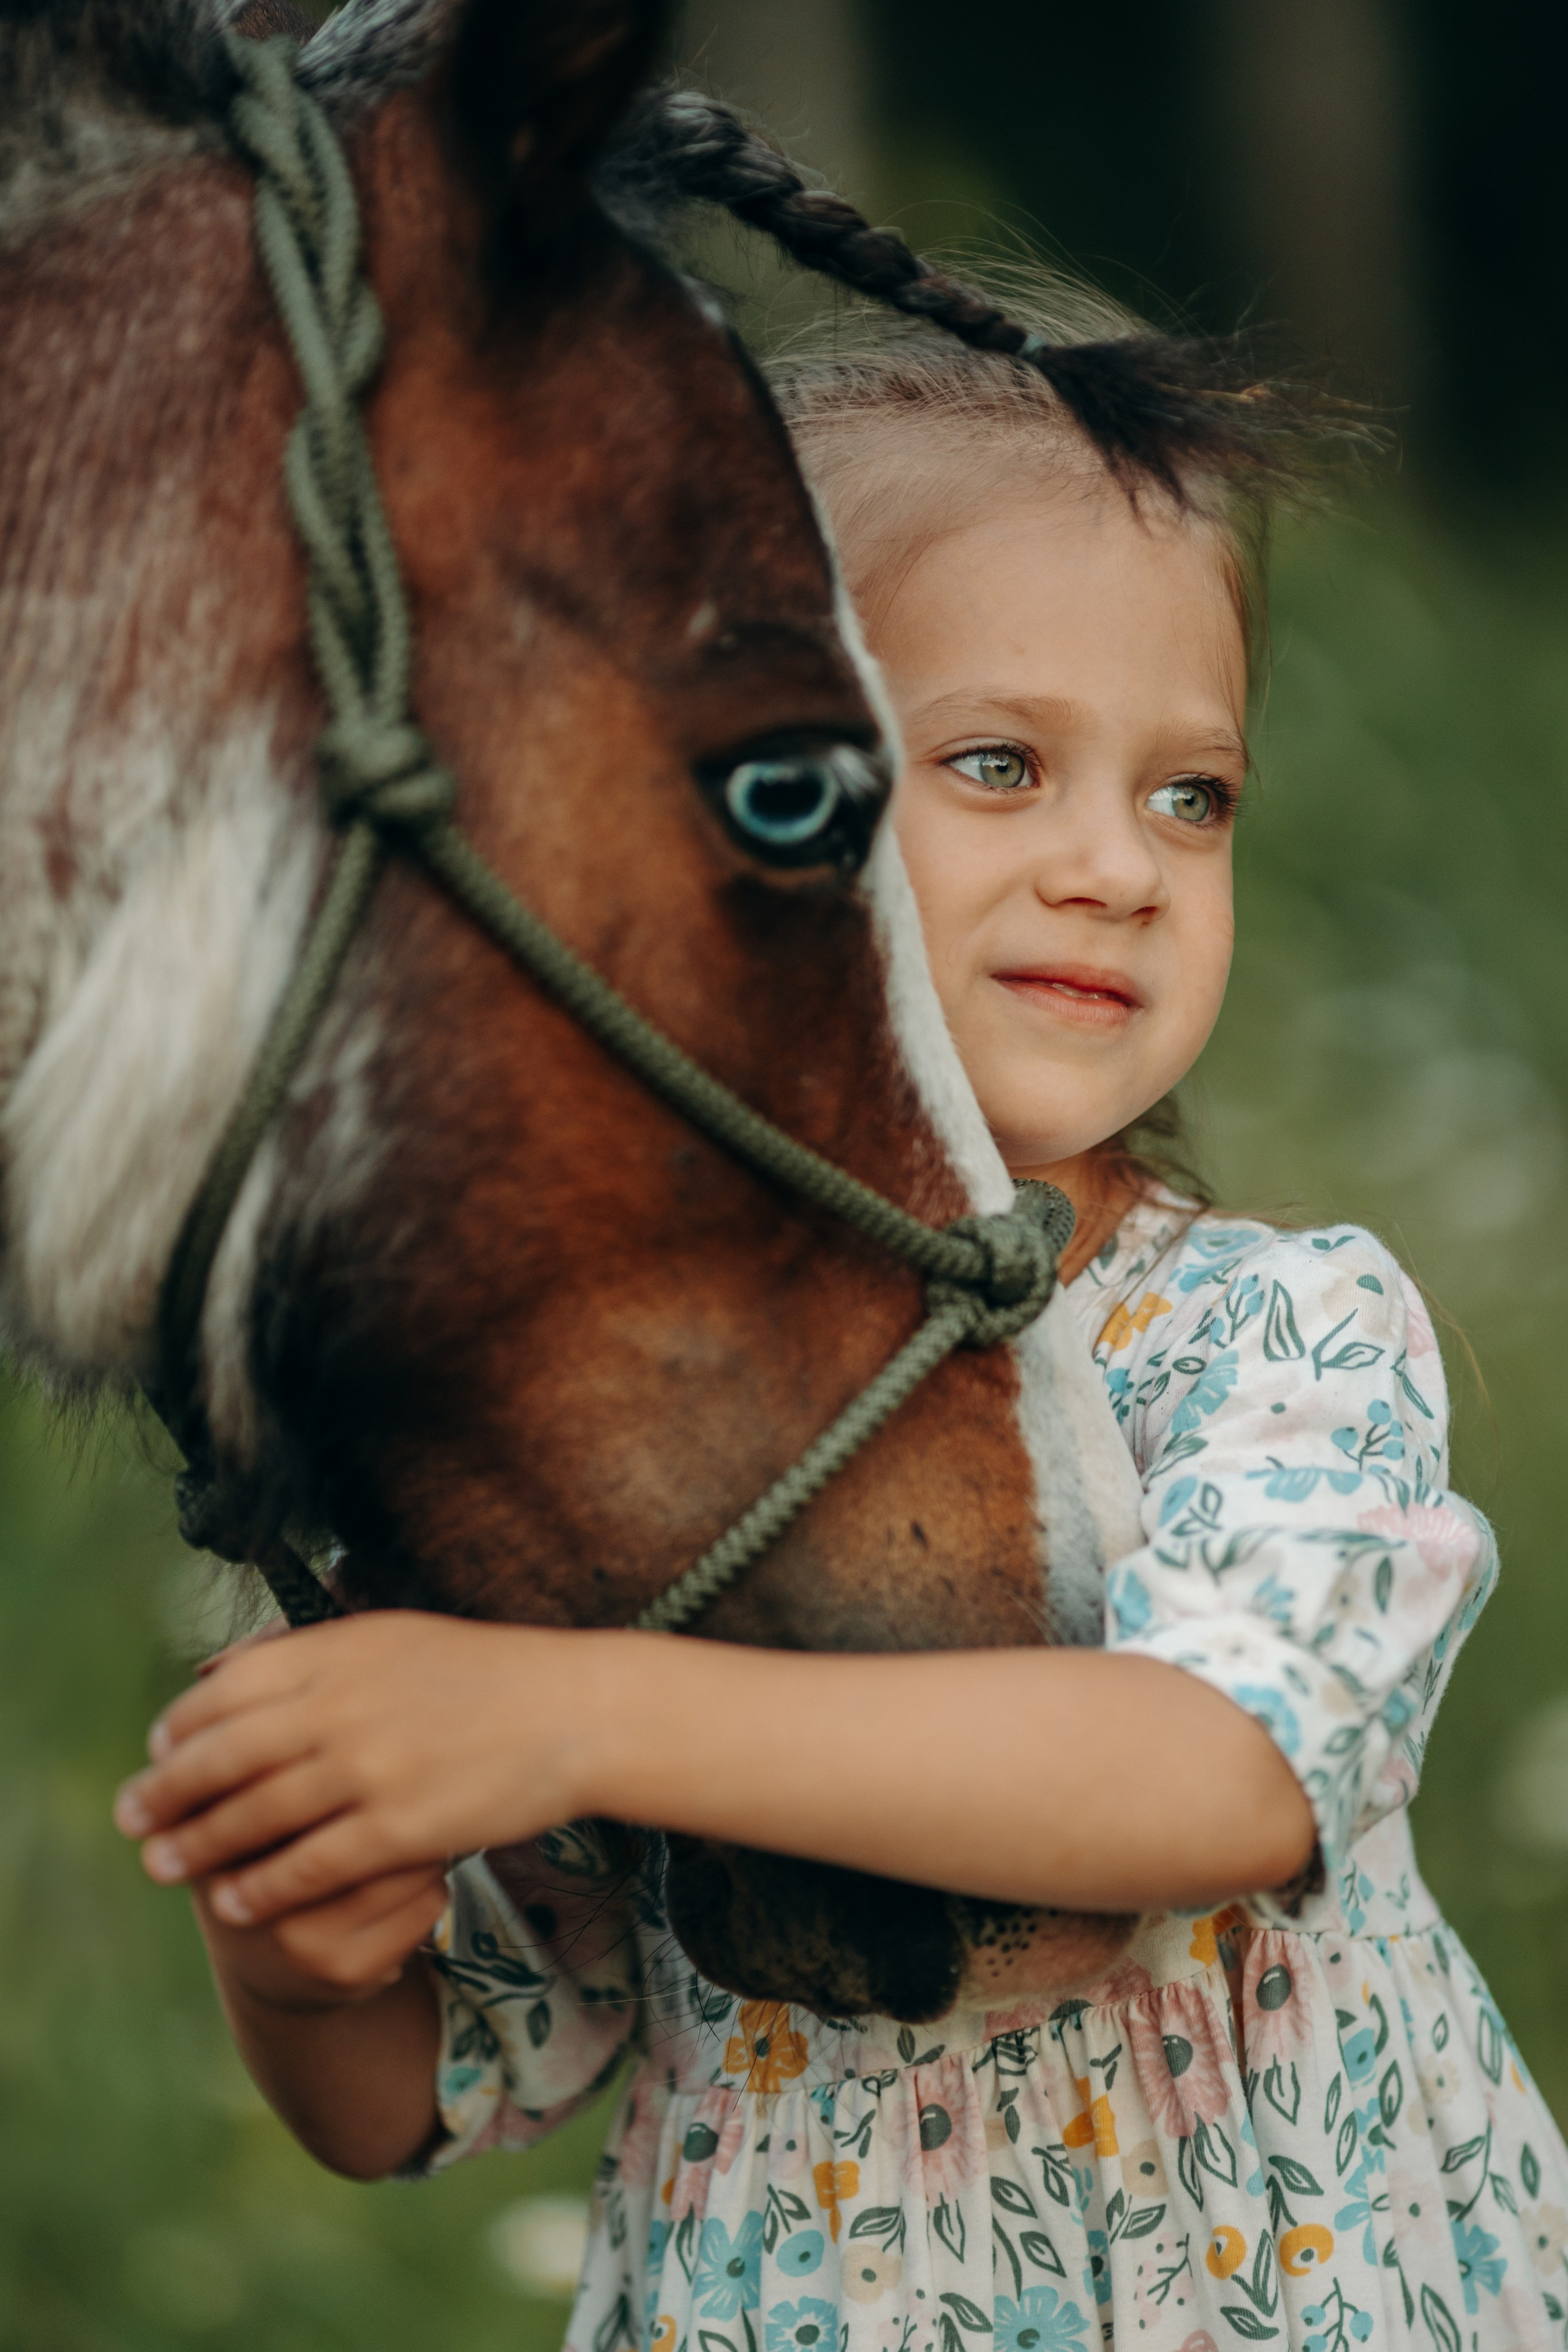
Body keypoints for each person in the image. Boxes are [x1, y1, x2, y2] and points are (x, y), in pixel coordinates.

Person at [113, 271, 1568, 2348]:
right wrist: (299, 1950)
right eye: (999, 763)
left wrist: (575, 1711)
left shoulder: (1275, 1332)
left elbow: (1223, 1771)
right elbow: (444, 2083)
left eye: (1192, 796)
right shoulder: (622, 1431)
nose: (1122, 865)